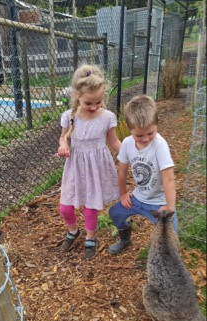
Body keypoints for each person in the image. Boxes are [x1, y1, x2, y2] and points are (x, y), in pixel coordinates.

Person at [56, 63, 121, 259]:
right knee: (65, 208)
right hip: (75, 168)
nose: (94, 107)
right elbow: (63, 137)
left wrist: (130, 155)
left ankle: (90, 237)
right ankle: (73, 231)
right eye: (88, 103)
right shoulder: (69, 117)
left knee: (90, 207)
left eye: (98, 102)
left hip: (96, 169)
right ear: (77, 96)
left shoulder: (107, 117)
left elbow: (114, 142)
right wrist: (63, 146)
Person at [108, 94, 177, 255]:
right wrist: (123, 194)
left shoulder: (160, 145)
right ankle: (125, 240)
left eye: (150, 133)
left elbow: (169, 178)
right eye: (139, 135)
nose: (145, 139)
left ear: (156, 124)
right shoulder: (126, 143)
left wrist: (169, 208)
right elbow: (122, 171)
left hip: (158, 201)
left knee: (171, 237)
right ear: (129, 128)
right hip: (138, 197)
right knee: (115, 213)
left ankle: (169, 260)